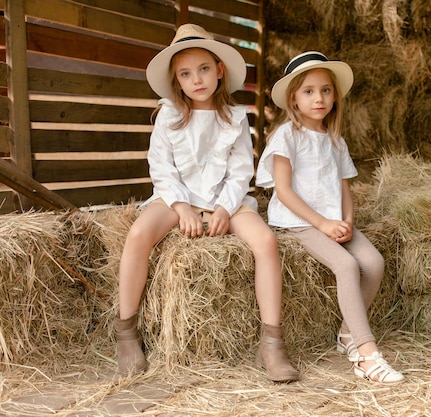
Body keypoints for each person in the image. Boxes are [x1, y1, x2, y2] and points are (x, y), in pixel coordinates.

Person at [114, 24, 299, 383]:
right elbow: (161, 167)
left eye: (202, 69)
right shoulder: (168, 115)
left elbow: (240, 170)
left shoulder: (236, 118)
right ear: (177, 82)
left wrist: (224, 209)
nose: (196, 79)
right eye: (185, 73)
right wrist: (181, 206)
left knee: (266, 242)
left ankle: (272, 343)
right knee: (138, 234)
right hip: (177, 198)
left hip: (224, 201)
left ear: (219, 70)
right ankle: (126, 333)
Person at [256, 51, 404, 384]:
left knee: (374, 263)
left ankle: (347, 334)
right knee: (347, 266)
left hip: (333, 221)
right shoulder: (286, 137)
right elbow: (284, 191)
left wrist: (347, 220)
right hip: (298, 222)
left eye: (325, 90)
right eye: (308, 91)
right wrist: (321, 224)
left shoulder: (336, 141)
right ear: (293, 98)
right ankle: (367, 356)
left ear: (334, 95)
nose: (318, 98)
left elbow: (344, 190)